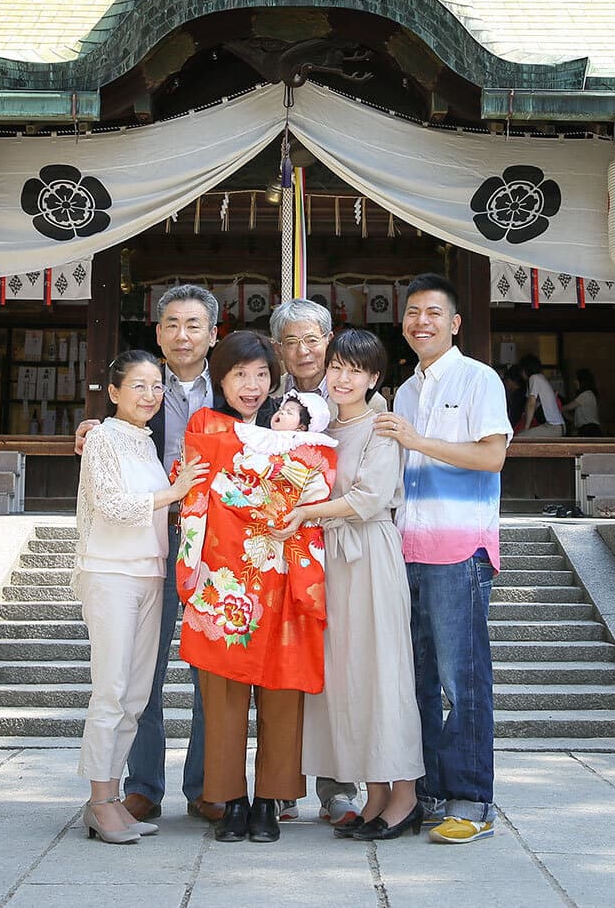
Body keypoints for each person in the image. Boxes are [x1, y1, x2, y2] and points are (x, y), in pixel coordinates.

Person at [176, 333, 333, 844]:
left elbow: (314, 489)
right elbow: (196, 495)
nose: (251, 385)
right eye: (240, 374)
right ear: (220, 379)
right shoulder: (206, 424)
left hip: (283, 574)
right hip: (225, 580)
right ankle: (230, 799)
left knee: (283, 687)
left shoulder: (288, 427)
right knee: (222, 693)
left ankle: (271, 798)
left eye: (262, 374)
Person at [73, 283, 219, 822]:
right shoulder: (140, 395)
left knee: (211, 668)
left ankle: (207, 785)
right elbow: (111, 453)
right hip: (147, 541)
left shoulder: (232, 389)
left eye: (194, 324)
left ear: (212, 333)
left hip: (215, 541)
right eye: (172, 324)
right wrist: (95, 432)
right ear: (158, 333)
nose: (183, 335)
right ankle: (141, 787)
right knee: (142, 672)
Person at [376, 273, 511, 846]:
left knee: (463, 678)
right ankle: (428, 794)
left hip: (459, 548)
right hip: (408, 546)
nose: (421, 322)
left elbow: (492, 457)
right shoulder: (406, 390)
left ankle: (472, 799)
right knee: (419, 682)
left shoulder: (478, 379)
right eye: (412, 313)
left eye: (433, 313)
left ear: (454, 323)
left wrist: (416, 441)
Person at [287, 328, 425, 841]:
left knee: (384, 673)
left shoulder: (381, 427)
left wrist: (306, 513)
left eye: (355, 370)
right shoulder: (322, 427)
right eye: (337, 367)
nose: (343, 378)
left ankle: (405, 794)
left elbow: (369, 498)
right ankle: (376, 792)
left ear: (374, 378)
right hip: (332, 560)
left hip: (369, 553)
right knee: (348, 677)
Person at [270, 296, 374, 827]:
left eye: (313, 339)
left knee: (337, 668)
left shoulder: (355, 398)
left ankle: (338, 785)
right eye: (291, 341)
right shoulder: (265, 398)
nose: (303, 350)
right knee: (284, 667)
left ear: (329, 341)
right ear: (278, 349)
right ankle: (281, 785)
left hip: (339, 548)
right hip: (279, 550)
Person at [516, 353, 564, 437]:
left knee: (520, 438)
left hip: (553, 426)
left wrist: (526, 428)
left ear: (524, 370)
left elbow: (531, 403)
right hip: (557, 426)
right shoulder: (540, 378)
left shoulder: (534, 378)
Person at [563, 369, 602, 436]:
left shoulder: (586, 394)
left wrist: (557, 407)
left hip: (589, 431)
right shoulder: (588, 394)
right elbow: (576, 419)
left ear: (582, 381)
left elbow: (568, 407)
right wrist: (564, 412)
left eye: (576, 379)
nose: (574, 382)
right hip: (589, 430)